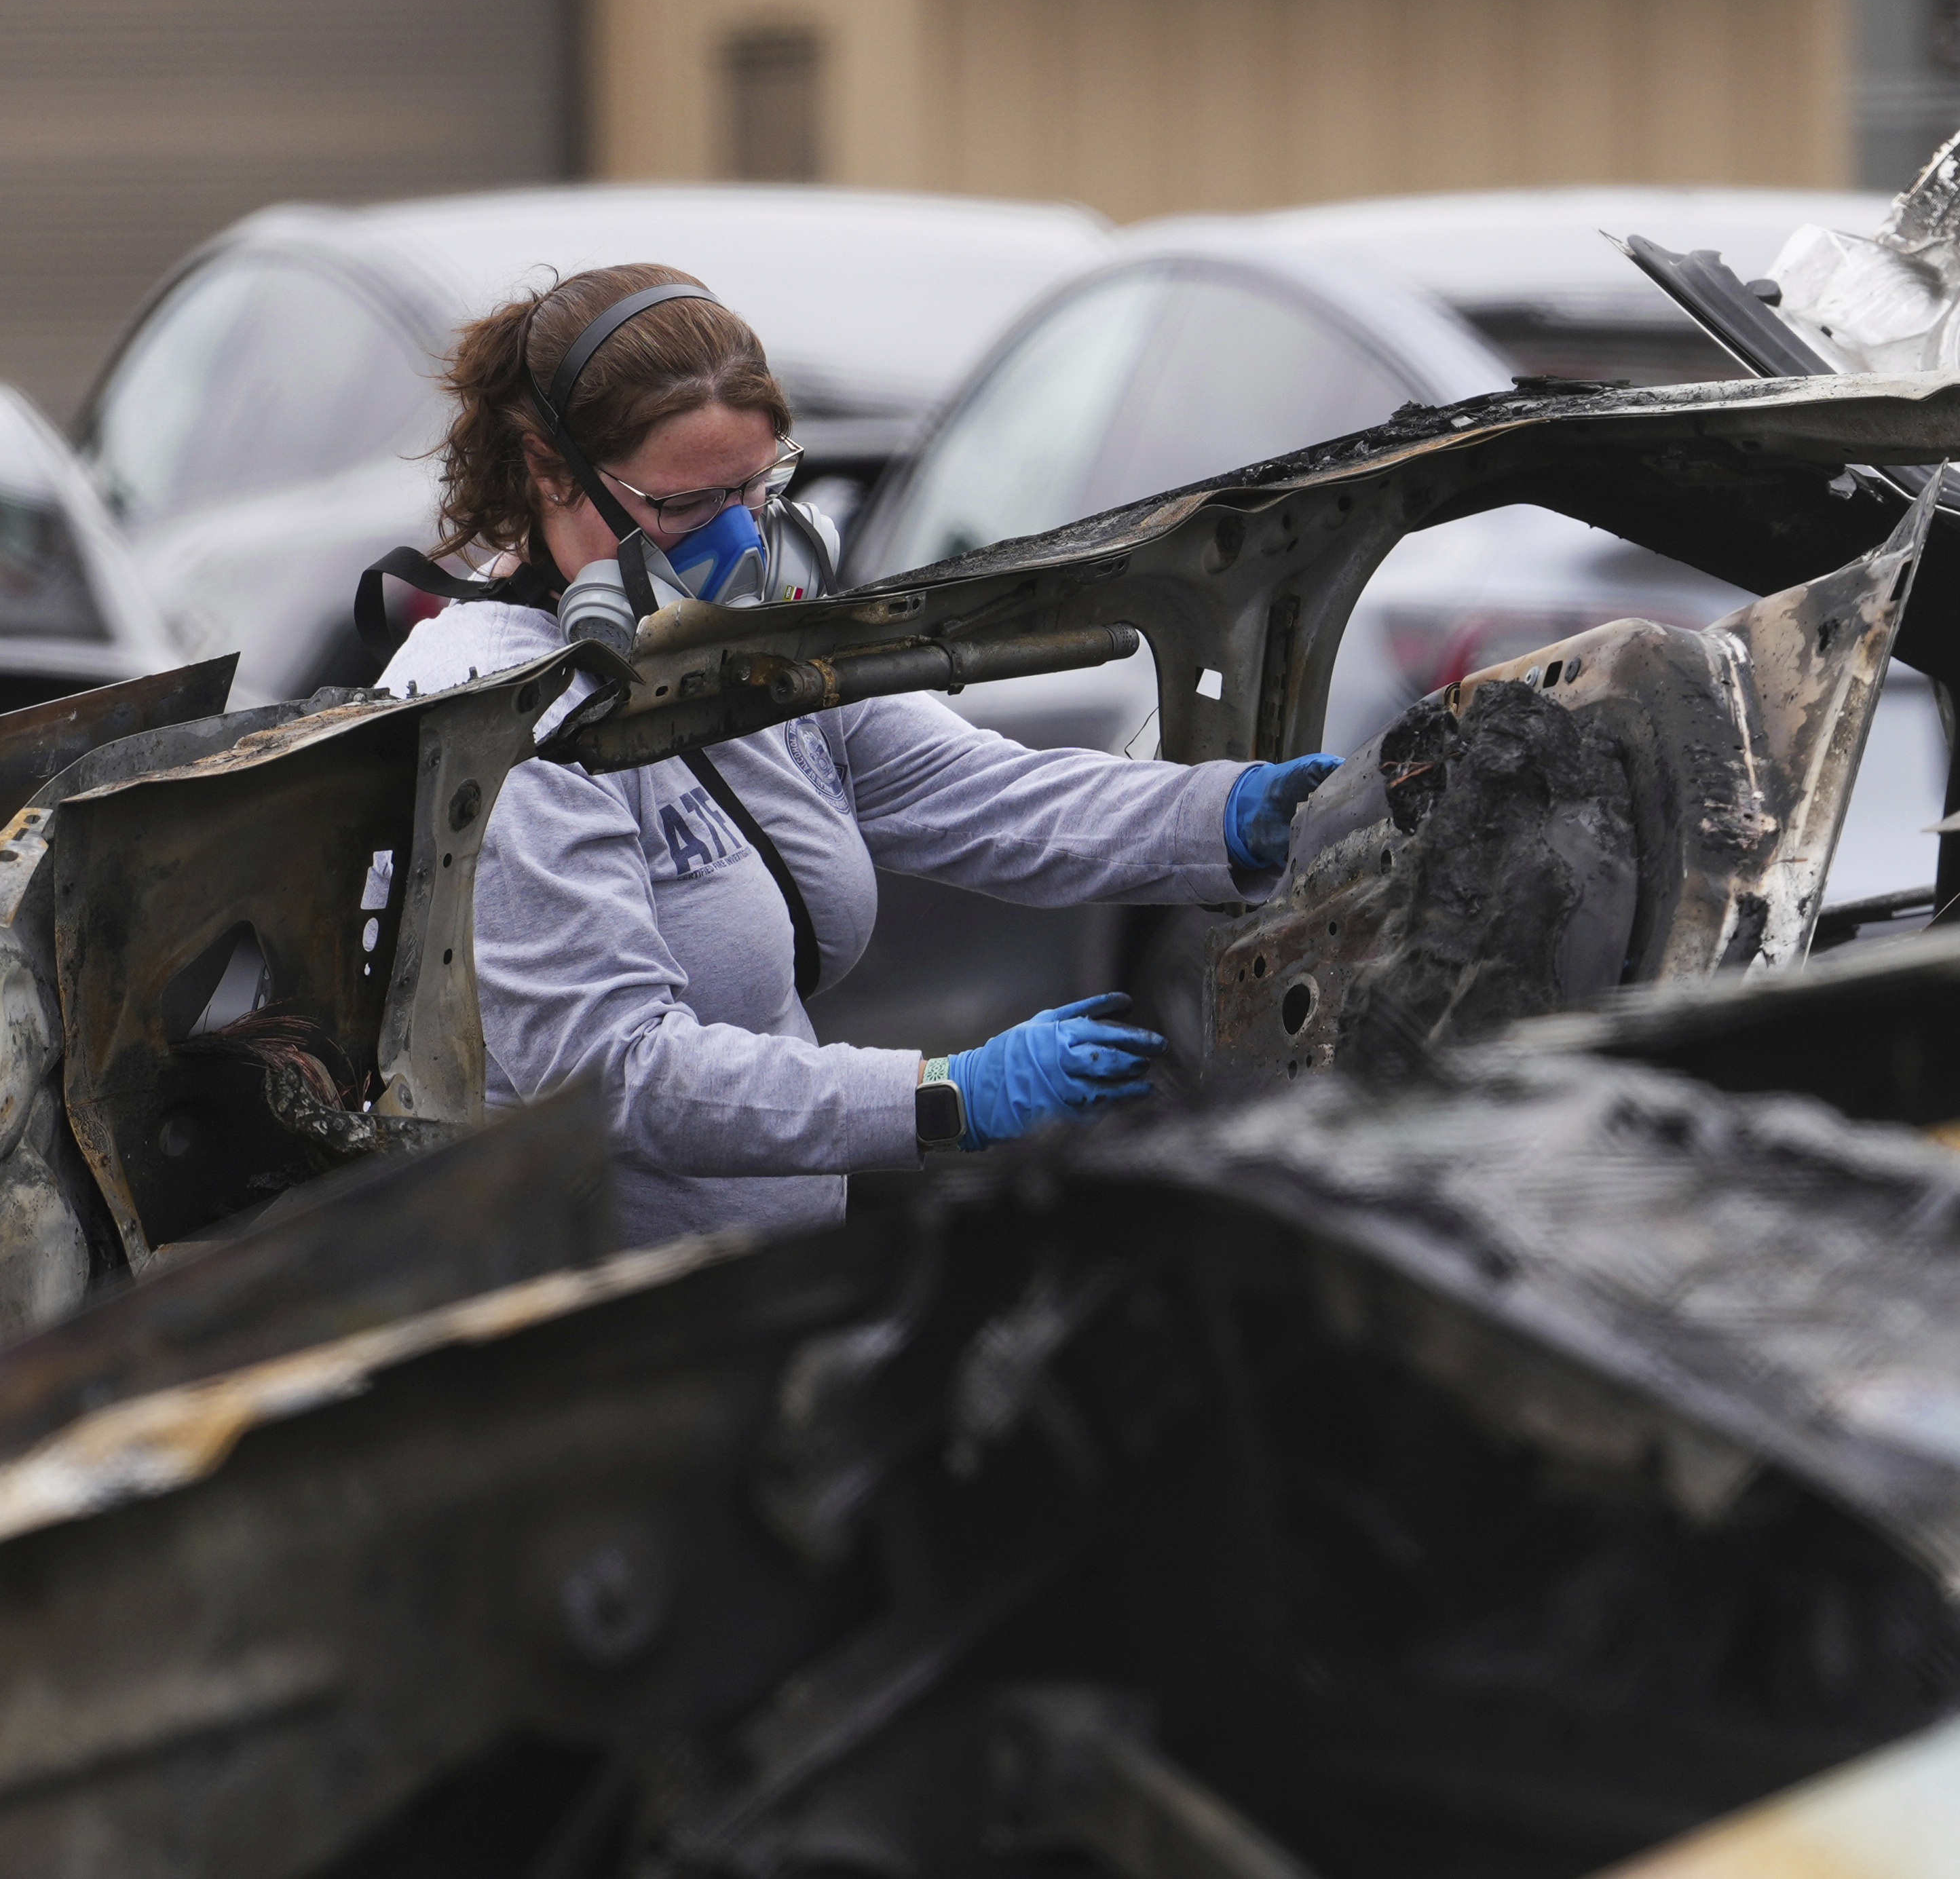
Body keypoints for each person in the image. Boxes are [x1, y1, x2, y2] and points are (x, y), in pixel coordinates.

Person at [377, 264, 1341, 1244]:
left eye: (756, 488)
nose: (740, 540)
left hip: (769, 1278)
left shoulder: (713, 644)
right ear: (549, 473)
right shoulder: (498, 732)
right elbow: (619, 1078)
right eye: (686, 508)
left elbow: (978, 793)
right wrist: (941, 1095)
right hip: (595, 1334)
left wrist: (1236, 816)